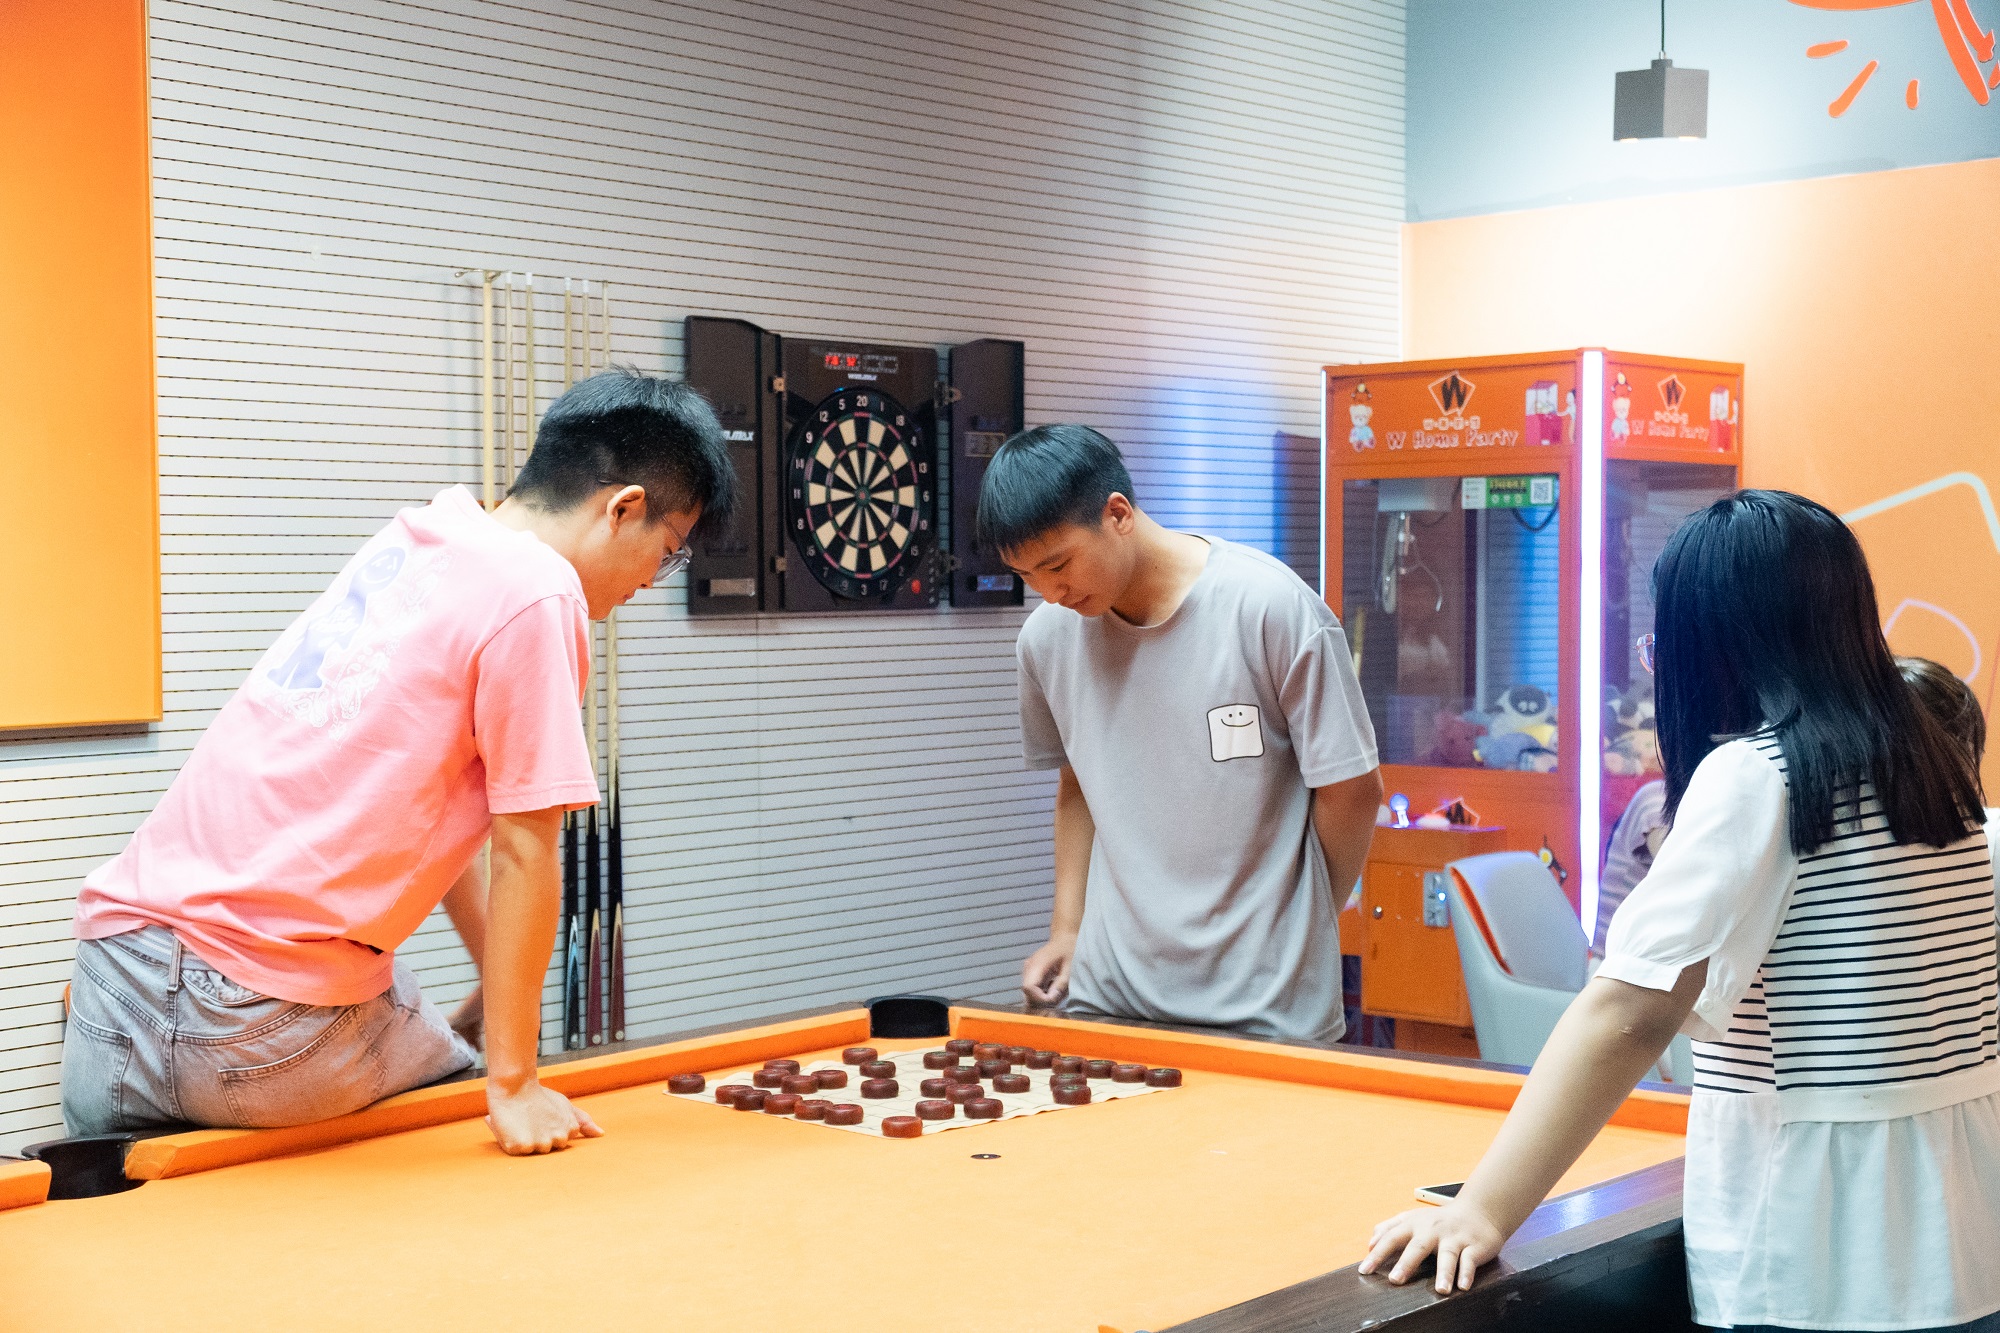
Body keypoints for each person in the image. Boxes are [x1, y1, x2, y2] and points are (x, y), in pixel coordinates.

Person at [1362, 490, 1997, 1331]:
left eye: (1663, 643)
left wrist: (1481, 1208)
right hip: (1959, 1232)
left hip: (1820, 1251)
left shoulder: (1760, 774)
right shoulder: (1931, 771)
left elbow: (1627, 1013)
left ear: (1715, 646)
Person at [61, 370, 733, 1156]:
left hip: (113, 982)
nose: (651, 579)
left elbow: (422, 807)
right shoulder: (539, 591)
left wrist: (495, 986)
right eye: (667, 550)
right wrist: (514, 1081)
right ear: (622, 509)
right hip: (247, 1018)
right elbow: (526, 847)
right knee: (467, 1105)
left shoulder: (425, 535)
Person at [977, 424, 1382, 1044]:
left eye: (1058, 565)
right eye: (1027, 575)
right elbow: (1077, 788)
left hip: (1267, 1012)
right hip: (1110, 1000)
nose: (1050, 593)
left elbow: (1352, 791)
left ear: (1118, 514)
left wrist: (1302, 920)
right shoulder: (1046, 642)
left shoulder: (1268, 607)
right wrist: (1067, 928)